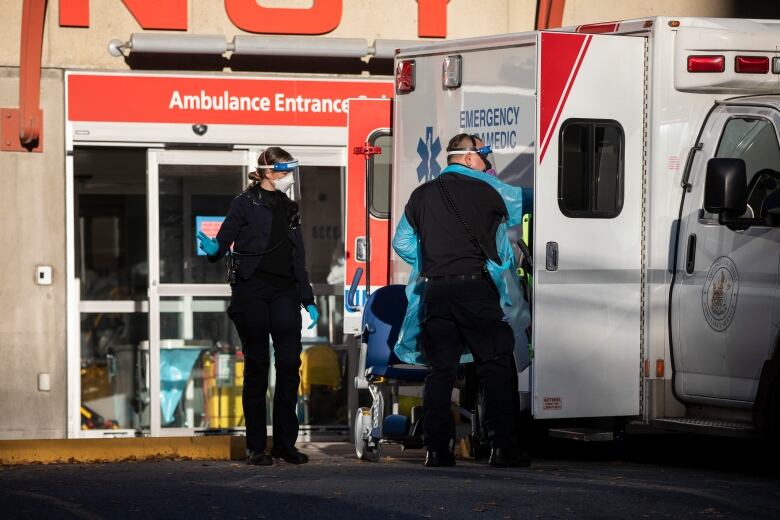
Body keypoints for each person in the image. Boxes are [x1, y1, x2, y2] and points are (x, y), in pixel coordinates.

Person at [392, 133, 531, 468]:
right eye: (484, 155)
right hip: (475, 291)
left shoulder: (421, 195)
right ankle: (502, 448)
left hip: (436, 293)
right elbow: (525, 207)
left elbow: (402, 242)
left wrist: (433, 262)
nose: (488, 163)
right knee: (495, 367)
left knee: (440, 372)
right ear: (468, 158)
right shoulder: (491, 189)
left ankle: (436, 450)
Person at [196, 147, 319, 466]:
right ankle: (255, 447)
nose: (289, 178)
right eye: (284, 171)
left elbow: (299, 257)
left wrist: (307, 299)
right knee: (257, 367)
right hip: (252, 292)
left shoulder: (290, 207)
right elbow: (222, 242)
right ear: (268, 172)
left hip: (285, 294)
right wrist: (214, 250)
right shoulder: (244, 203)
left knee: (290, 365)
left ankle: (284, 444)